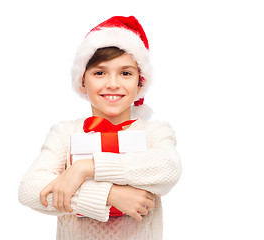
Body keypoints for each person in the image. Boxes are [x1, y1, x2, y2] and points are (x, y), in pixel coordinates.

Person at [18, 16, 181, 240]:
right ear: (82, 81)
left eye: (125, 73)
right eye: (99, 72)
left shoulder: (155, 132)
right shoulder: (65, 133)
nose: (113, 83)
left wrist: (85, 168)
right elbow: (30, 190)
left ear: (139, 83)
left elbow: (168, 168)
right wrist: (109, 195)